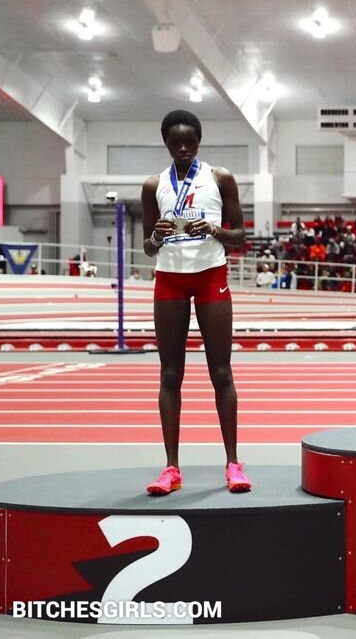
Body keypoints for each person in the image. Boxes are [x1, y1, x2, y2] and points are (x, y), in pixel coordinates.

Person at [141, 109, 251, 496]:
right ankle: (171, 468)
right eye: (176, 142)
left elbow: (240, 237)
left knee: (221, 372)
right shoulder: (154, 185)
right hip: (169, 280)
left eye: (189, 142)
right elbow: (148, 247)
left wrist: (215, 229)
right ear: (166, 144)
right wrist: (157, 236)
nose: (183, 148)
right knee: (170, 375)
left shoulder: (220, 178)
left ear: (199, 141)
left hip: (210, 278)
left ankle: (233, 464)